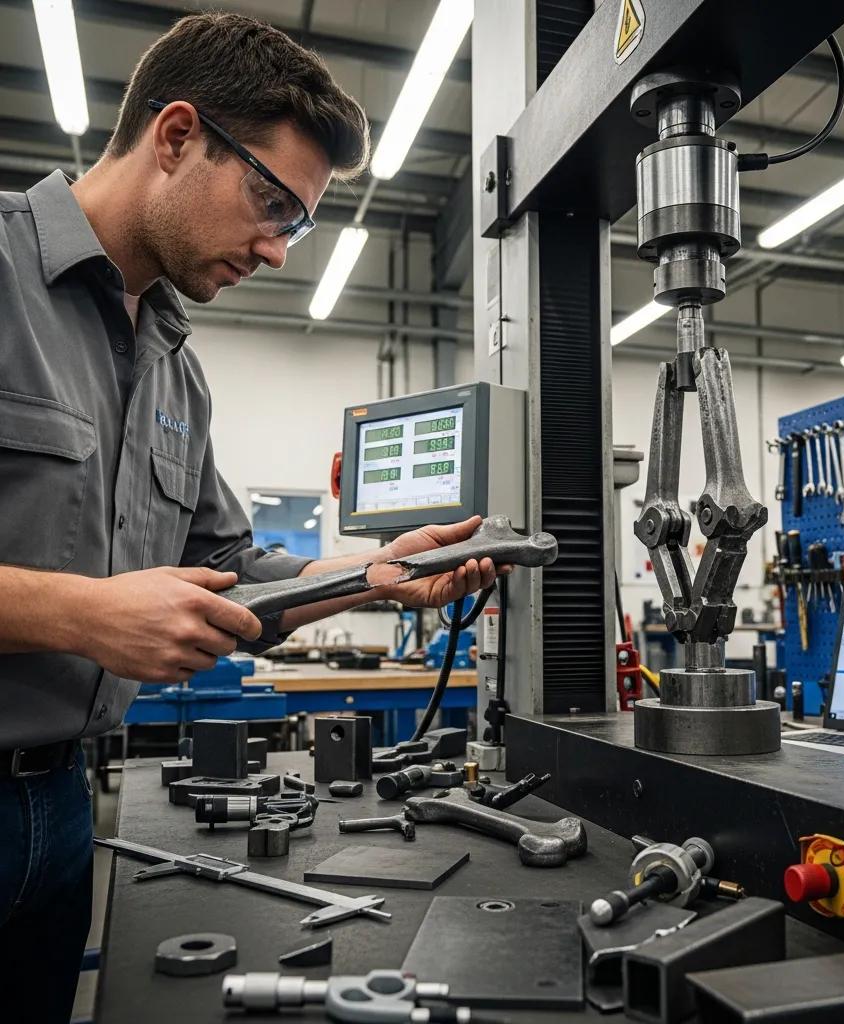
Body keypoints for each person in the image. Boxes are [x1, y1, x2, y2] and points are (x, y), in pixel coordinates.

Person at [0, 13, 501, 1020]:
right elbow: (96, 607)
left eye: (300, 223)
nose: (278, 250)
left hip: (57, 804)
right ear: (177, 135)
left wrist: (373, 572)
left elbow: (231, 564)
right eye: (272, 203)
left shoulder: (175, 365)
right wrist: (78, 612)